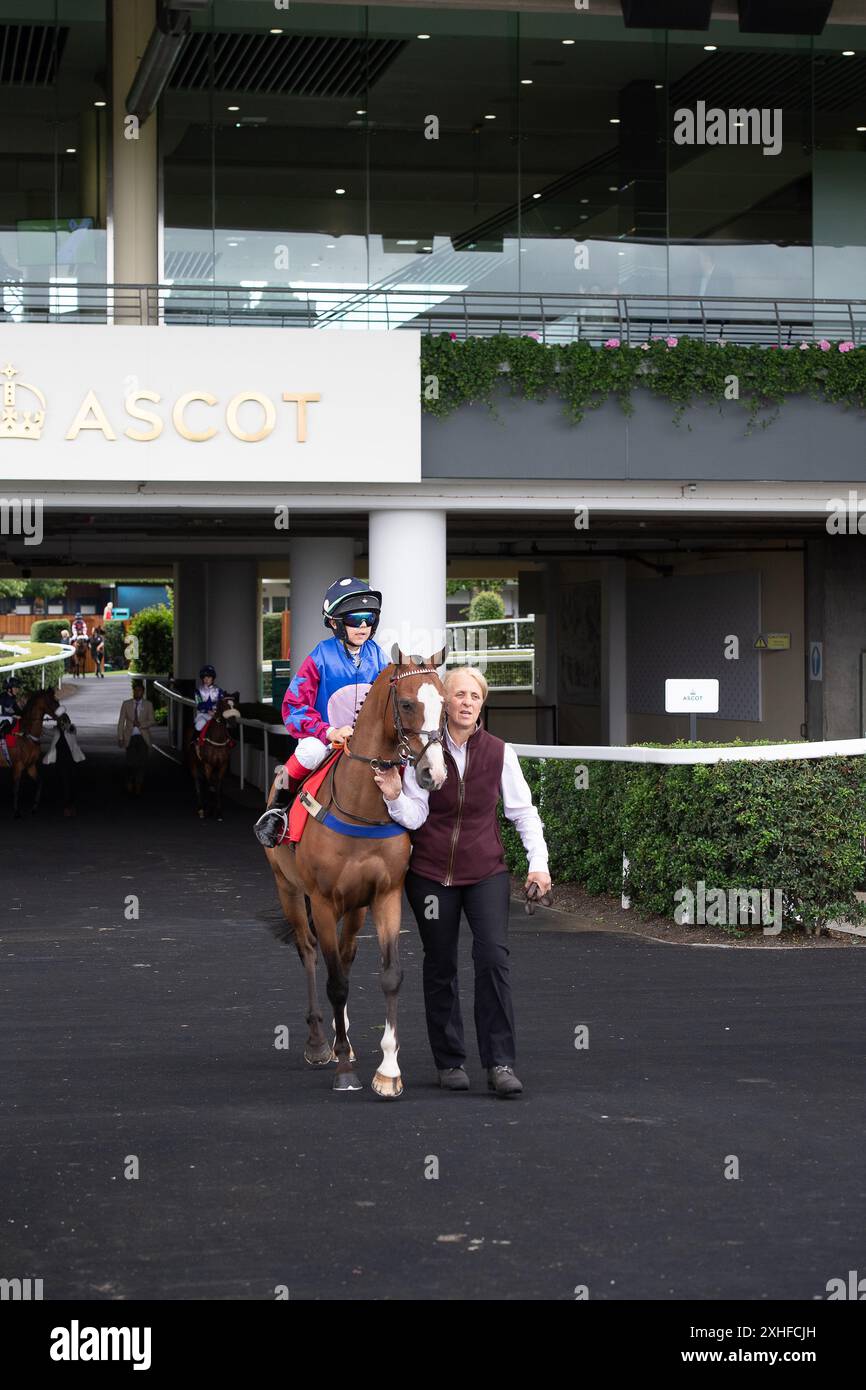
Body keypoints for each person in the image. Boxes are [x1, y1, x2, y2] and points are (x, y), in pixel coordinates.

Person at [373, 666, 552, 1098]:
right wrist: (396, 796)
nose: (467, 702)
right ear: (445, 702)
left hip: (486, 872)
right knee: (441, 965)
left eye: (475, 695)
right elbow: (417, 817)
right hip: (431, 875)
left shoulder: (499, 753)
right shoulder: (423, 754)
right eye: (459, 695)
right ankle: (450, 1061)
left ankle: (500, 1062)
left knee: (493, 959)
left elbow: (522, 812)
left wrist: (539, 863)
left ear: (481, 704)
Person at [253, 575, 390, 847]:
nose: (363, 625)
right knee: (309, 752)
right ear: (335, 622)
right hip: (326, 737)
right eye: (355, 619)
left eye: (369, 617)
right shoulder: (320, 656)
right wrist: (328, 731)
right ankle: (276, 811)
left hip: (366, 741)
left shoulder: (379, 657)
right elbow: (293, 707)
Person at [44, 702, 85, 816]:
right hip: (61, 761)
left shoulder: (71, 728)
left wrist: (65, 725)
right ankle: (67, 806)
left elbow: (70, 729)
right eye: (59, 720)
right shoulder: (57, 731)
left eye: (62, 720)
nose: (60, 722)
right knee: (64, 783)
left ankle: (70, 805)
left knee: (71, 783)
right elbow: (46, 732)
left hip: (71, 760)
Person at [117, 679, 155, 795]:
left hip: (143, 738)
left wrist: (141, 724)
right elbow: (121, 721)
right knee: (130, 762)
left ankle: (138, 784)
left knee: (142, 763)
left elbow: (152, 721)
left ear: (142, 692)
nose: (137, 692)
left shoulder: (148, 705)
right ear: (133, 692)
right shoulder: (126, 704)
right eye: (135, 690)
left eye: (139, 691)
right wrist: (120, 737)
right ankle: (129, 780)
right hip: (130, 737)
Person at [192, 665, 225, 741]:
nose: (206, 680)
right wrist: (208, 711)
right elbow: (199, 704)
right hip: (203, 715)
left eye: (209, 677)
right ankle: (194, 742)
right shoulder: (198, 691)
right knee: (199, 726)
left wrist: (217, 712)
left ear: (213, 678)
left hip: (216, 715)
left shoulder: (219, 690)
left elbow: (221, 703)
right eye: (204, 678)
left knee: (224, 726)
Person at [0, 674, 24, 753]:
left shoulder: (13, 699)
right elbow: (2, 713)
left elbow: (19, 712)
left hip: (5, 718)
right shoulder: (2, 698)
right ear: (9, 689)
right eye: (15, 688)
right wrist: (12, 715)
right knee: (8, 720)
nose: (17, 689)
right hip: (2, 719)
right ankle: (2, 745)